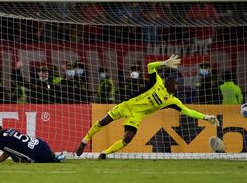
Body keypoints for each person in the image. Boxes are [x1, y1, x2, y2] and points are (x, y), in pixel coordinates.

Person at [75, 55, 220, 159]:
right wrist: (164, 63)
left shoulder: (172, 100)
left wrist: (206, 117)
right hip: (126, 105)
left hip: (136, 116)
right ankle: (84, 142)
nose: (177, 85)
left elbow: (188, 111)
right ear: (167, 82)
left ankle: (104, 153)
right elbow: (150, 66)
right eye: (175, 83)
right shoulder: (156, 82)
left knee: (127, 139)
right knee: (103, 122)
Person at [0, 123, 66, 163]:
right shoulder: (9, 130)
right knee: (14, 153)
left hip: (36, 155)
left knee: (16, 158)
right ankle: (54, 157)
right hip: (42, 144)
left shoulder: (0, 139)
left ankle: (54, 159)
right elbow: (5, 155)